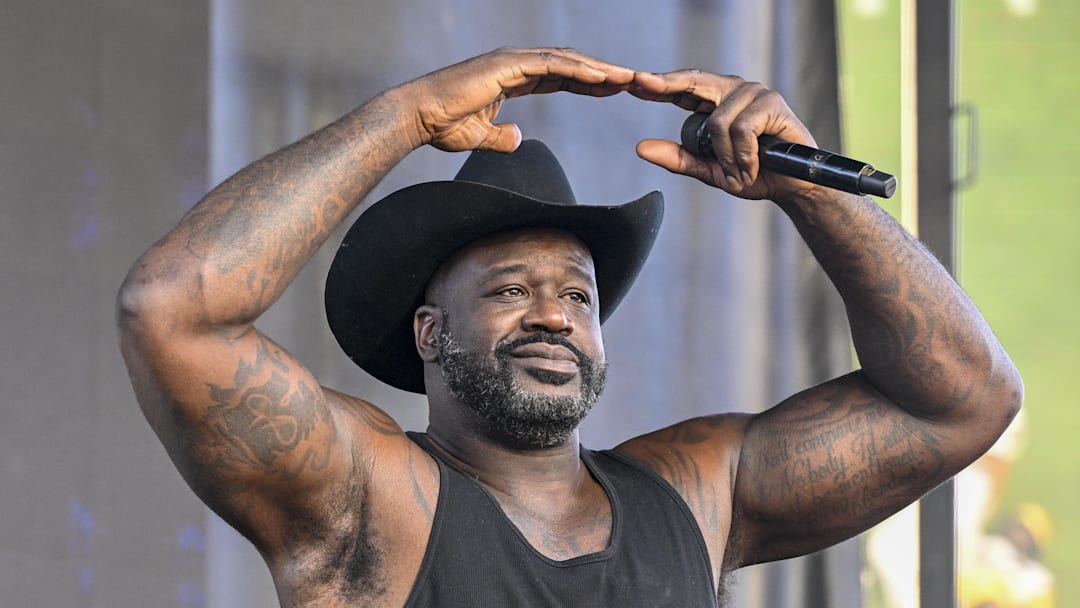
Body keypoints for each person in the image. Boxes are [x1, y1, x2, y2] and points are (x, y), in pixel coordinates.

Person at [117, 47, 1023, 607]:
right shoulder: (371, 496)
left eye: (579, 296)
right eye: (510, 290)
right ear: (431, 334)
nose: (553, 313)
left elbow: (963, 403)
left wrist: (806, 189)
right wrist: (405, 117)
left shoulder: (700, 494)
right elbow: (173, 311)